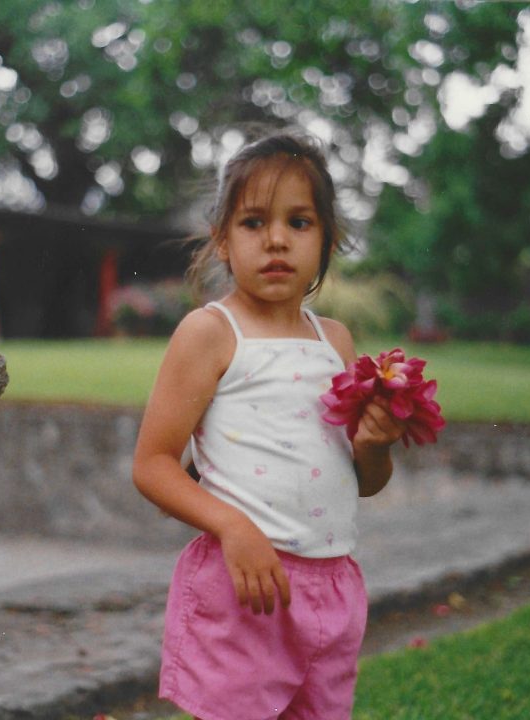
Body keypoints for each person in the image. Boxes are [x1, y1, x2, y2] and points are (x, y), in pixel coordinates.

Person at [132, 130, 405, 720]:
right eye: (254, 222)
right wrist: (233, 527)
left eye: (299, 222)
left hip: (332, 587)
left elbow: (364, 479)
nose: (277, 239)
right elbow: (152, 465)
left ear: (326, 238)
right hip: (243, 584)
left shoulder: (334, 340)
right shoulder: (211, 333)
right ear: (223, 240)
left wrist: (375, 446)